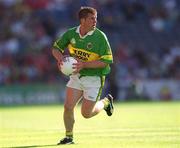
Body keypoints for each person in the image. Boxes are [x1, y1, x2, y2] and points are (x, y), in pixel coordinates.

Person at [52, 6, 114, 145]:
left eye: (96, 18)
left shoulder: (100, 37)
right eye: (92, 18)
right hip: (76, 76)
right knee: (68, 107)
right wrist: (60, 58)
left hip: (94, 79)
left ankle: (105, 103)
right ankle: (69, 137)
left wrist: (84, 64)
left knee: (86, 114)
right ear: (82, 20)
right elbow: (56, 48)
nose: (95, 21)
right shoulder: (71, 34)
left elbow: (106, 61)